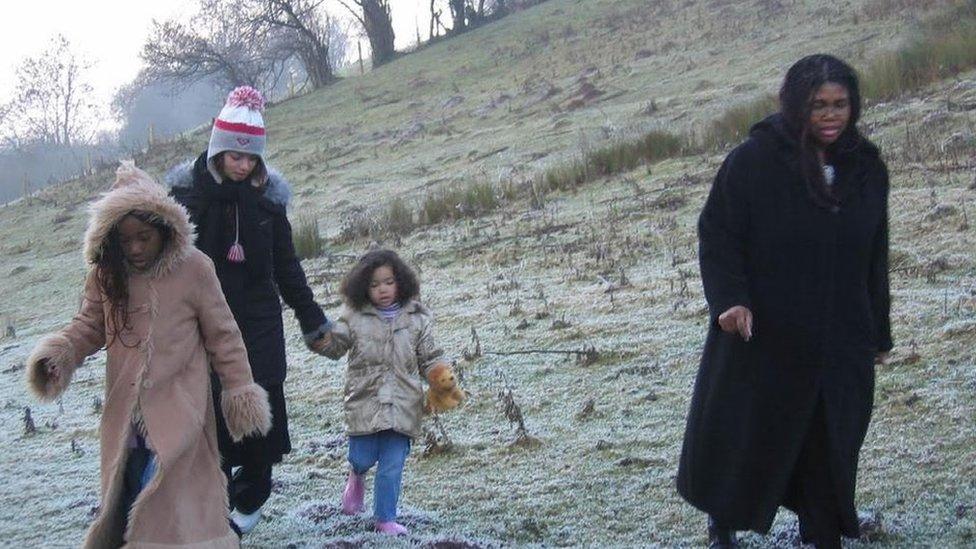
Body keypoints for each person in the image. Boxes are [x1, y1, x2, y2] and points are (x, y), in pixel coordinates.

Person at [676, 54, 892, 549]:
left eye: (841, 104)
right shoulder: (755, 161)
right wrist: (730, 300)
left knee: (830, 436)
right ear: (797, 104)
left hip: (841, 333)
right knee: (747, 433)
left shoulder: (867, 168)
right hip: (764, 329)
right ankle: (724, 523)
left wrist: (878, 331)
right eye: (819, 105)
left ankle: (822, 531)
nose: (831, 115)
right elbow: (719, 232)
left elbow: (874, 254)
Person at [26, 162, 271, 548]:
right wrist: (63, 352)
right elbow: (90, 325)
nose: (136, 248)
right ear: (111, 240)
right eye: (126, 240)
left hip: (181, 409)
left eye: (144, 237)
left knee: (165, 498)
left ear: (164, 229)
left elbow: (224, 336)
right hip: (126, 416)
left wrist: (239, 389)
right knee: (131, 493)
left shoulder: (194, 268)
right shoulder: (107, 275)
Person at [166, 86, 331, 534]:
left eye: (251, 157)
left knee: (260, 414)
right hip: (203, 325)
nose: (243, 164)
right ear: (218, 148)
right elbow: (164, 265)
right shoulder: (186, 197)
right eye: (235, 155)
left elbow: (286, 265)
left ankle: (251, 497)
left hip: (258, 322)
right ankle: (214, 508)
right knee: (210, 418)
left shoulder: (268, 202)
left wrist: (312, 318)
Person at [315, 249, 462, 535]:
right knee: (363, 457)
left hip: (404, 403)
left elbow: (429, 355)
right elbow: (335, 347)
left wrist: (440, 376)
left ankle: (385, 519)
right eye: (373, 284)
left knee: (392, 466)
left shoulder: (417, 318)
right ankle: (355, 476)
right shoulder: (353, 318)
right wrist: (318, 336)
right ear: (362, 288)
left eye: (388, 281)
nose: (382, 289)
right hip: (364, 402)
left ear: (400, 282)